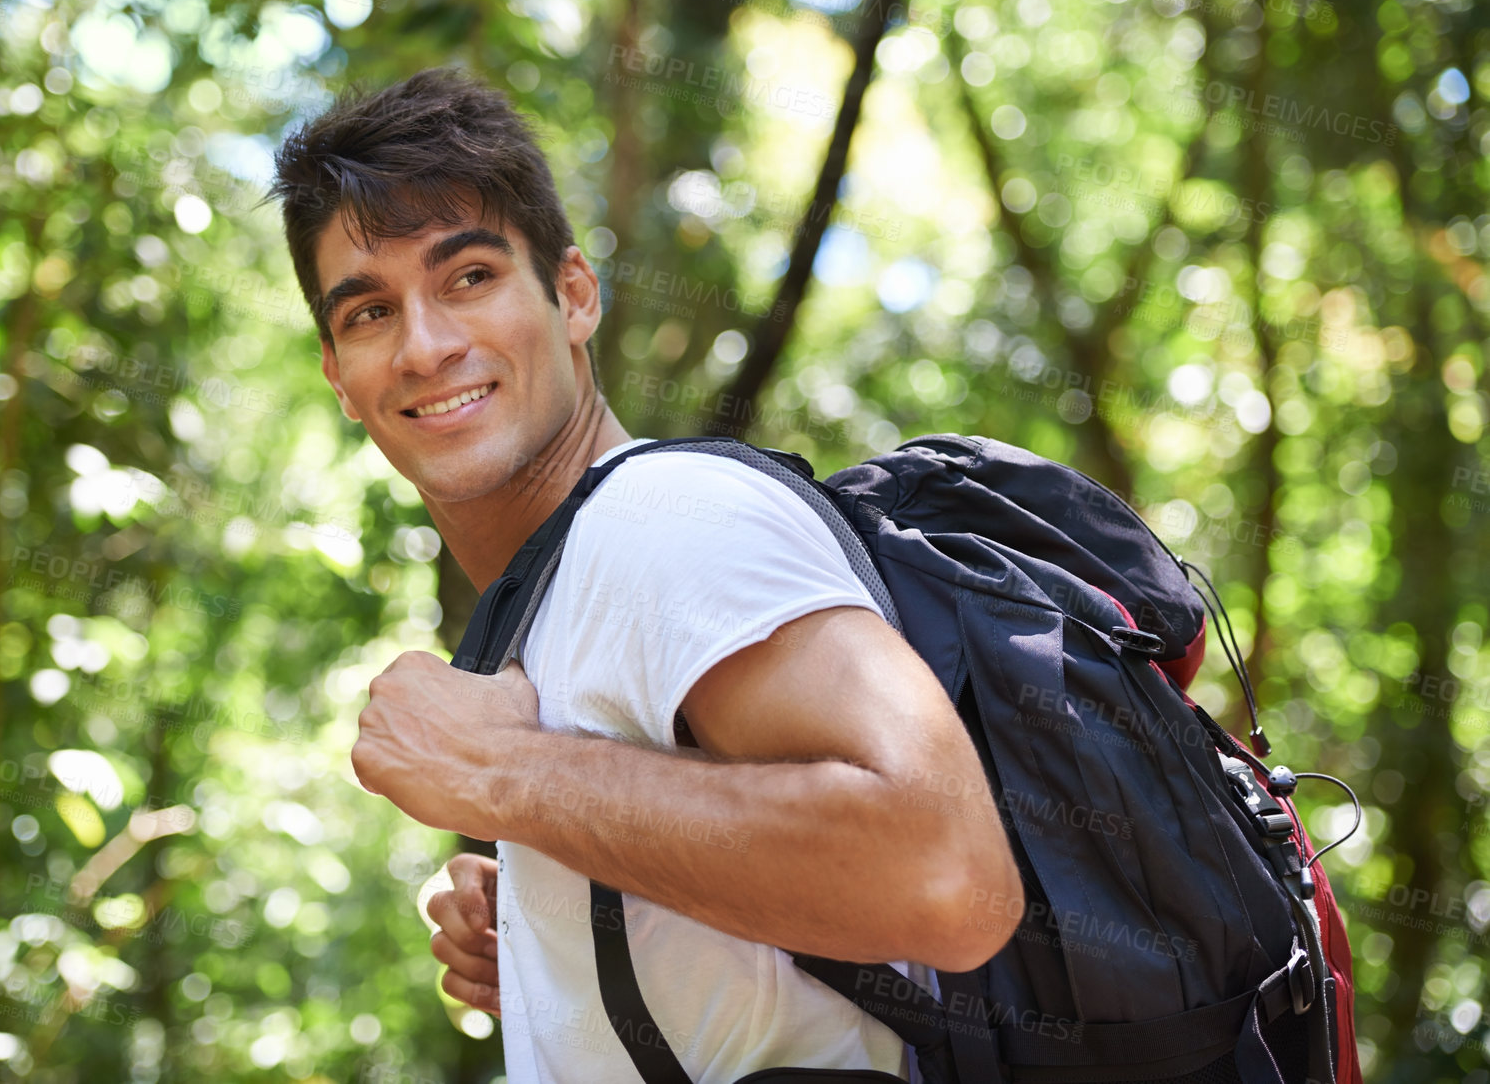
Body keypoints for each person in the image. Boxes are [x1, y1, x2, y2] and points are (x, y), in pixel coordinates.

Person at [270, 67, 1020, 1082]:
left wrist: (501, 776)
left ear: (574, 295)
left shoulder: (663, 521)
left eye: (470, 277)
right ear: (338, 376)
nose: (426, 346)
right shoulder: (569, 579)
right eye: (369, 313)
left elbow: (948, 876)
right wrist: (562, 915)